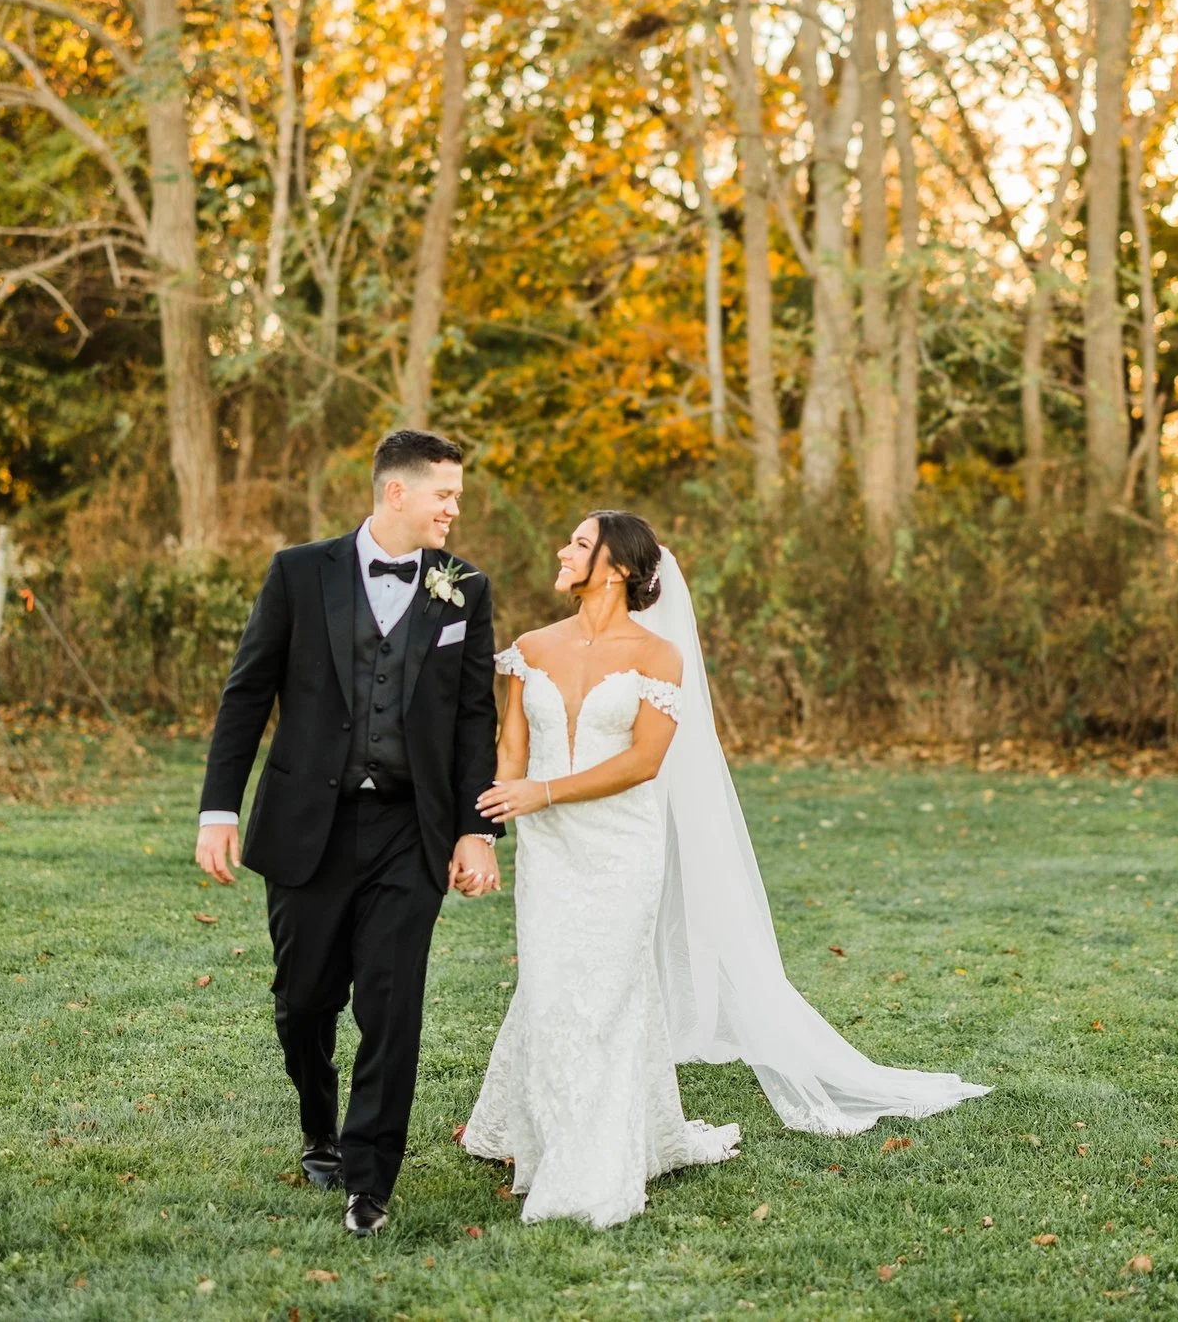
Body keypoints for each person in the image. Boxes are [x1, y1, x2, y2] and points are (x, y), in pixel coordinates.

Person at [464, 511, 990, 1229]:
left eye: (581, 544)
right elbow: (511, 749)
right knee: (554, 984)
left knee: (611, 987)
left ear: (616, 568)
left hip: (622, 845)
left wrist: (545, 791)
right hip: (550, 847)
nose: (563, 549)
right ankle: (540, 1126)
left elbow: (644, 761)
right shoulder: (530, 649)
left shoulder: (658, 657)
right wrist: (493, 826)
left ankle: (591, 1159)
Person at [195, 429, 503, 1237]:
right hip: (310, 826)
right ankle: (317, 1126)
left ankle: (371, 1182)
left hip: (411, 828)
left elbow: (476, 719)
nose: (455, 508)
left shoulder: (464, 589)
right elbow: (245, 693)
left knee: (392, 1004)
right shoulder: (300, 573)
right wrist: (217, 809)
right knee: (303, 1003)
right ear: (396, 493)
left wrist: (476, 829)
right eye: (445, 493)